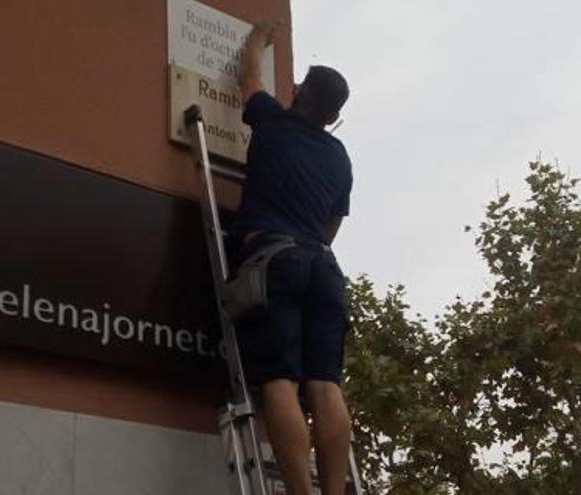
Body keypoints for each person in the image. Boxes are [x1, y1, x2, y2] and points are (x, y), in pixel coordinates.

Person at [230, 22, 353, 495]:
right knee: (325, 384)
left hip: (274, 260)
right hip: (323, 266)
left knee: (279, 379)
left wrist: (260, 36)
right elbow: (331, 229)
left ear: (300, 94)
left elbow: (248, 80)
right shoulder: (340, 156)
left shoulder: (272, 121)